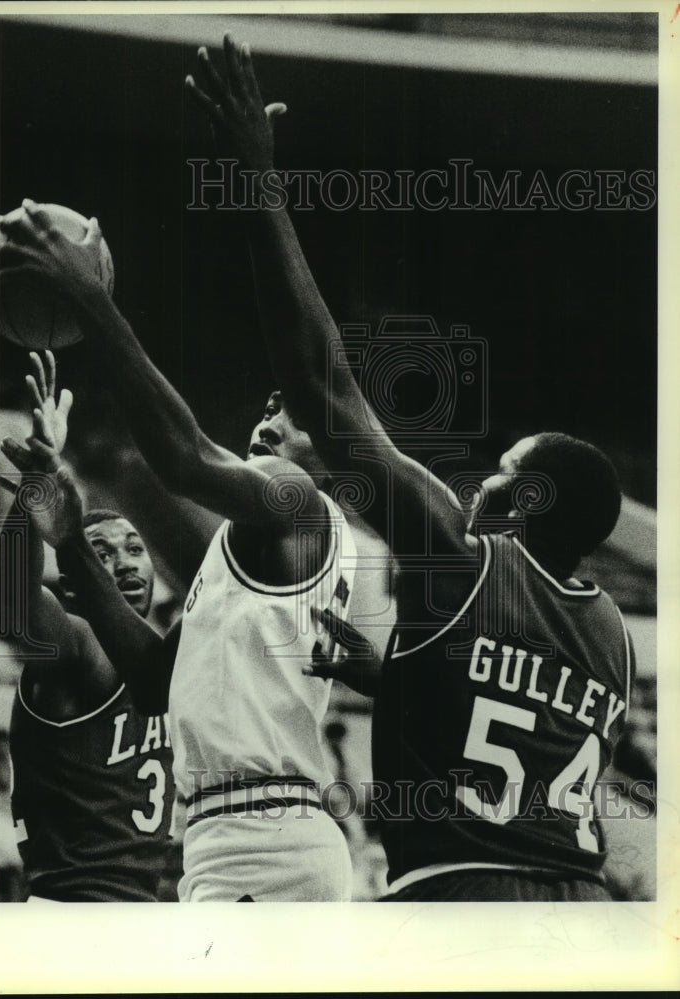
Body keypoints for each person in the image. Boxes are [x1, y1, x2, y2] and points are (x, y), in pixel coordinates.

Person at [184, 34, 634, 902]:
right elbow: (509, 732)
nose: (480, 485)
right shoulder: (610, 634)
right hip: (577, 908)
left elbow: (322, 385)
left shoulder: (465, 558)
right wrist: (387, 673)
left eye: (501, 473)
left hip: (464, 896)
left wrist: (254, 173)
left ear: (525, 501)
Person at [0, 226, 358, 903]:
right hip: (225, 840)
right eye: (268, 401)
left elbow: (183, 458)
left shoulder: (297, 498)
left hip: (262, 831)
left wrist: (92, 301)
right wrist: (67, 537)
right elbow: (158, 680)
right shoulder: (235, 562)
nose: (270, 410)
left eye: (293, 410)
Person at [0, 351, 178, 902]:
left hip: (142, 903)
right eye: (100, 550)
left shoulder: (164, 657)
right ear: (75, 576)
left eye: (135, 548)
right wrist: (36, 487)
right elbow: (13, 607)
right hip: (74, 905)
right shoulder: (77, 638)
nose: (123, 561)